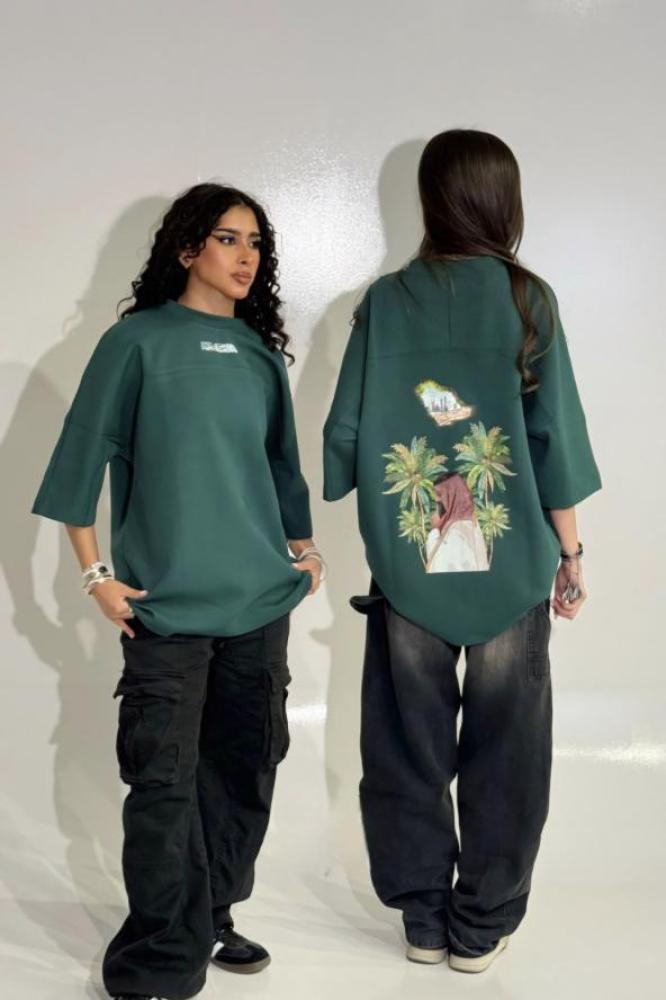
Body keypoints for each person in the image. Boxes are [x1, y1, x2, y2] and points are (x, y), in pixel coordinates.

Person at [31, 183, 324, 1000]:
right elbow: (78, 461)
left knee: (245, 768)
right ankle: (160, 954)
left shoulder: (261, 356)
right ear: (188, 247)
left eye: (255, 243)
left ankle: (211, 914)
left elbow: (280, 469)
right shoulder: (137, 343)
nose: (245, 256)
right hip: (166, 607)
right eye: (227, 238)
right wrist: (96, 578)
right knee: (162, 781)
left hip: (258, 604)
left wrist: (304, 553)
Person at [323, 129, 601, 974]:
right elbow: (554, 439)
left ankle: (423, 920)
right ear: (502, 199)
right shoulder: (527, 299)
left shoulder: (385, 301)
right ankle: (481, 925)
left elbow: (344, 434)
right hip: (511, 566)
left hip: (410, 566)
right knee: (508, 747)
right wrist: (571, 553)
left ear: (430, 198)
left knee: (405, 744)